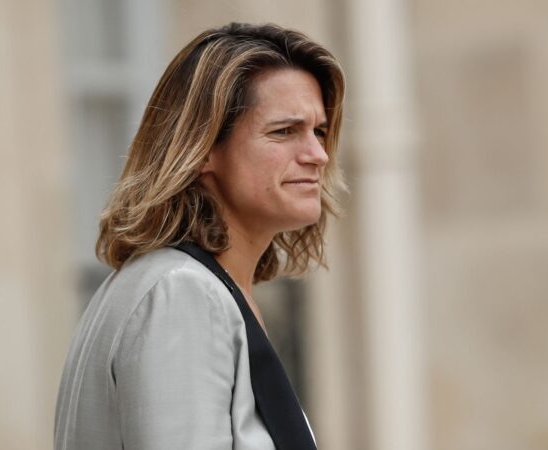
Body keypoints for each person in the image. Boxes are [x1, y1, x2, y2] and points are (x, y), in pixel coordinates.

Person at [54, 22, 345, 450]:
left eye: (319, 131)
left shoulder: (198, 288)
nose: (318, 155)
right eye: (284, 131)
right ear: (202, 147)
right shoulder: (181, 293)